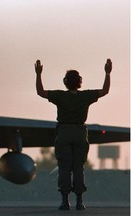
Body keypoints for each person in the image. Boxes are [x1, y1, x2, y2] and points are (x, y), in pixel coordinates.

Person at [34, 59, 112, 210]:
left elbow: (40, 92)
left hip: (63, 133)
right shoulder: (86, 96)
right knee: (78, 167)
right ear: (79, 82)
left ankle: (64, 201)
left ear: (65, 82)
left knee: (64, 167)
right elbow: (105, 91)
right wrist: (107, 73)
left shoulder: (60, 96)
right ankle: (79, 201)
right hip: (80, 134)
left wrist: (38, 75)